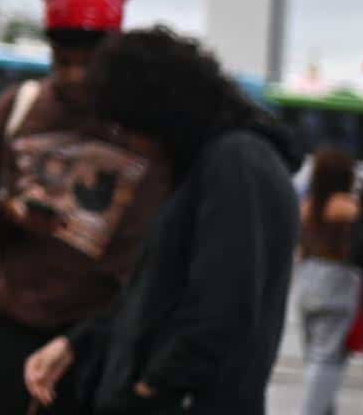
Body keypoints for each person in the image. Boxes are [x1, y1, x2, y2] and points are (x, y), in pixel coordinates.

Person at [24, 27, 301, 414]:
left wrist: (150, 390)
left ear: (159, 112)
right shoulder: (214, 164)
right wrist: (77, 344)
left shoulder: (235, 164)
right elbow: (160, 299)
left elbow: (221, 310)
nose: (130, 142)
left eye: (128, 127)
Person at [0, 0, 170, 414]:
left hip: (95, 337)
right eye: (62, 60)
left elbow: (157, 252)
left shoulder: (146, 130)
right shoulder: (19, 109)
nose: (73, 76)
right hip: (10, 329)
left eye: (88, 63)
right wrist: (7, 213)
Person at [296, 147, 360, 415]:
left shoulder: (307, 206)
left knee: (314, 356)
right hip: (338, 282)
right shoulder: (348, 207)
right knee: (327, 359)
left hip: (306, 282)